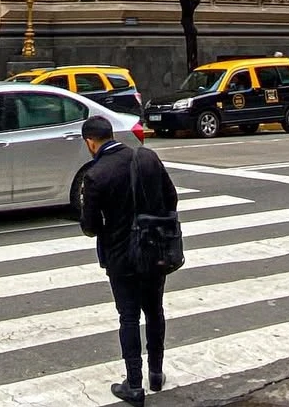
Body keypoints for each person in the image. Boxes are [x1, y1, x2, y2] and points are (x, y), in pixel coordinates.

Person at [79, 114, 178, 405]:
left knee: (129, 317)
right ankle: (156, 374)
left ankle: (134, 384)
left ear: (90, 142)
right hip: (155, 249)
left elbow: (90, 227)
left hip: (121, 257)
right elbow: (171, 198)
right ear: (111, 135)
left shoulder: (96, 175)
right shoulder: (147, 158)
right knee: (155, 310)